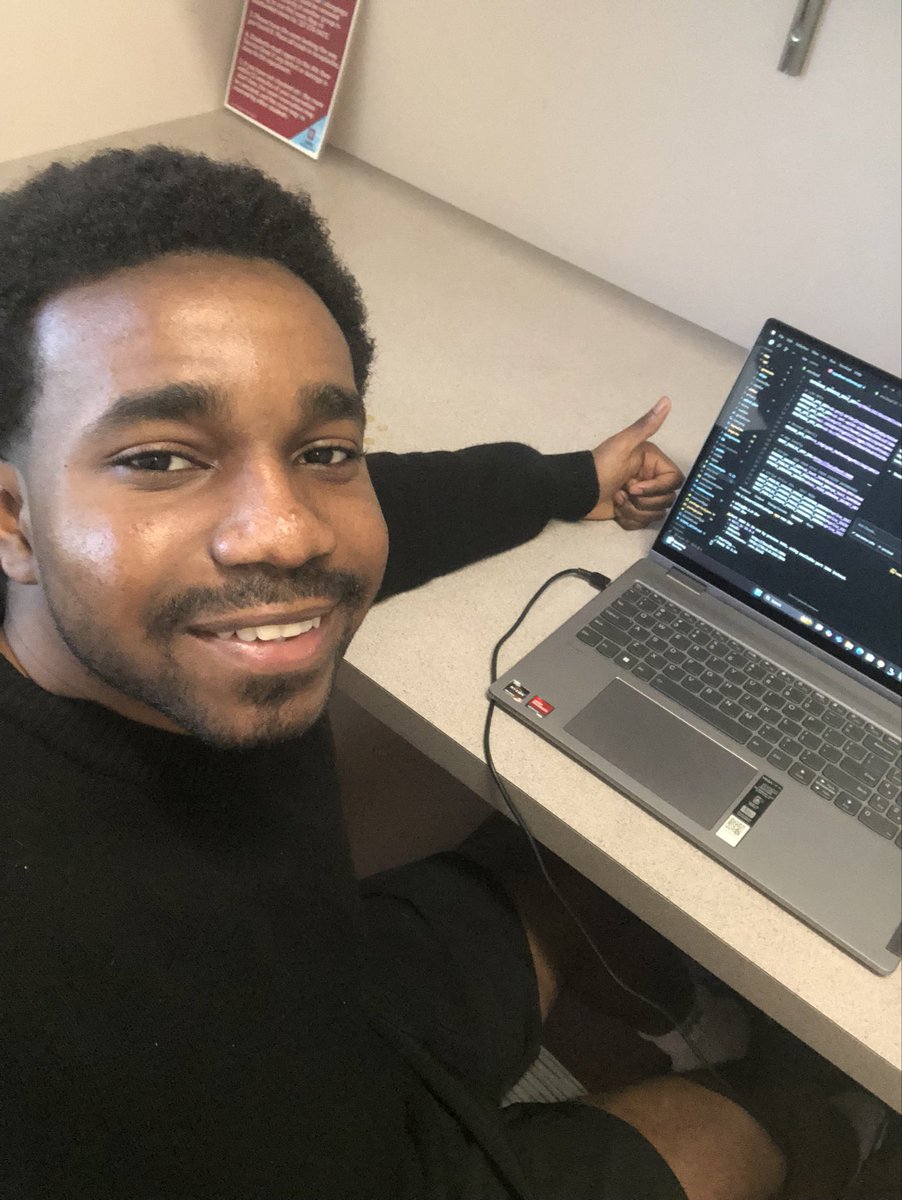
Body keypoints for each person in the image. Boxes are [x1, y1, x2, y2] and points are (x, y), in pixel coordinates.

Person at [0, 146, 857, 1200]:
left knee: (549, 878)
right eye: (162, 460)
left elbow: (397, 500)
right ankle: (834, 1127)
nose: (287, 532)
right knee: (750, 1130)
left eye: (321, 451)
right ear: (14, 518)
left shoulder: (161, 593)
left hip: (322, 995)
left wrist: (568, 480)